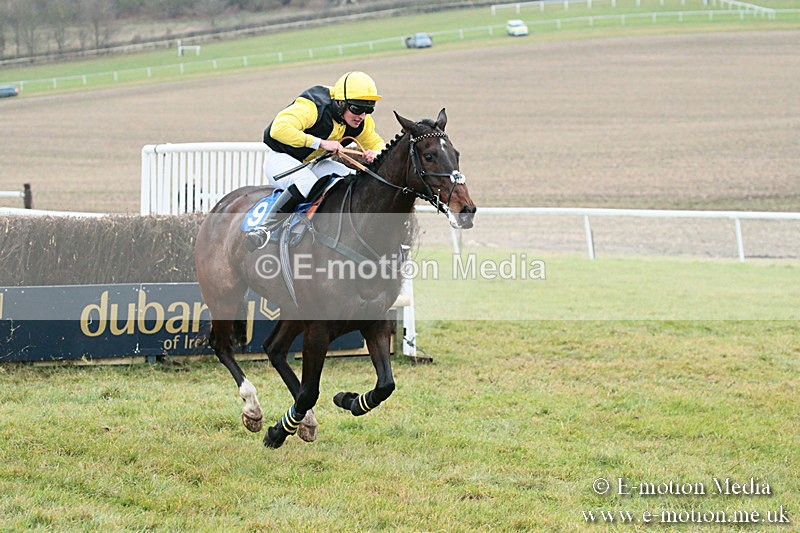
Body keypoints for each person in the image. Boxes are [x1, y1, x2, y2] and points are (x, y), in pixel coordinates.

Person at [245, 71, 386, 251]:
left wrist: (377, 153)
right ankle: (264, 229)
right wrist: (320, 143)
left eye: (368, 110)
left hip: (312, 163)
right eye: (357, 109)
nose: (362, 116)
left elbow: (376, 142)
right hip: (281, 158)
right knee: (306, 182)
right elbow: (277, 129)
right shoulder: (313, 106)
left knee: (349, 177)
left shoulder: (362, 123)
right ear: (341, 102)